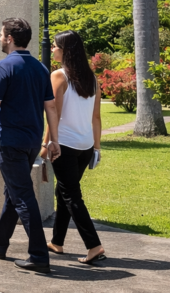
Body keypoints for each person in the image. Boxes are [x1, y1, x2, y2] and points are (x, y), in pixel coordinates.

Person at [0, 17, 61, 274]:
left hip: (10, 143)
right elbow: (51, 107)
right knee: (13, 193)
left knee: (22, 197)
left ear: (10, 38)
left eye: (2, 35)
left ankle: (38, 256)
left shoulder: (4, 67)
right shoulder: (41, 69)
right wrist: (52, 140)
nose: (0, 38)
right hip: (32, 143)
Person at [43, 30, 106, 265]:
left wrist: (47, 143)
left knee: (71, 194)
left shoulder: (58, 76)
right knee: (64, 192)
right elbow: (97, 117)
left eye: (54, 46)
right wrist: (97, 148)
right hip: (85, 146)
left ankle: (94, 245)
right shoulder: (92, 77)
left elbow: (54, 114)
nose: (52, 49)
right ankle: (57, 242)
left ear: (65, 50)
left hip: (65, 145)